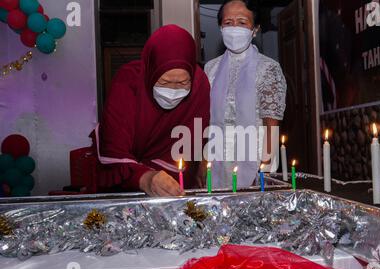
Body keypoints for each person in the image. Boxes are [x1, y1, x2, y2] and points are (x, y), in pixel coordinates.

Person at [91, 25, 210, 197]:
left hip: (173, 186)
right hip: (122, 185)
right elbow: (114, 147)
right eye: (164, 82)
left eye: (183, 83)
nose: (173, 91)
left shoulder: (199, 85)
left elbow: (190, 142)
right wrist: (145, 178)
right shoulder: (128, 81)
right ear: (151, 72)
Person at [205, 0, 287, 189]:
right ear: (220, 27)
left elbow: (271, 125)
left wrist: (264, 170)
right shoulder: (210, 69)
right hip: (217, 162)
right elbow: (206, 122)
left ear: (255, 29)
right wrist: (204, 165)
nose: (234, 28)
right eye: (228, 22)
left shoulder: (268, 69)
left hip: (255, 163)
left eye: (242, 22)